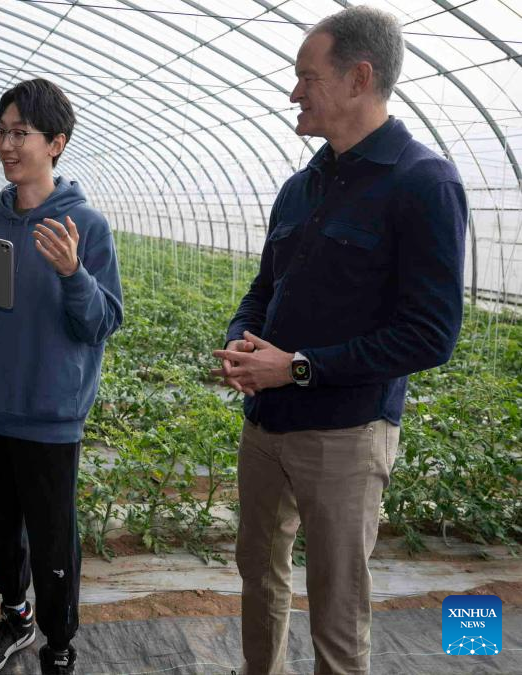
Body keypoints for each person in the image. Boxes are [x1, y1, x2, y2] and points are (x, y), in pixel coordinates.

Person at [210, 7, 466, 674]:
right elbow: (264, 288)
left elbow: (431, 334)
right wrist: (242, 341)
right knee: (258, 573)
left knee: (337, 605)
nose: (294, 91)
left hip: (345, 436)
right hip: (265, 423)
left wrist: (297, 368)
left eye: (307, 77)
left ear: (359, 78)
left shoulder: (422, 182)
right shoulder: (302, 187)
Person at [0, 78, 123, 675]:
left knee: (53, 540)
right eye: (1, 132)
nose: (6, 145)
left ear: (55, 144)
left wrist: (73, 272)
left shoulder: (85, 226)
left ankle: (59, 646)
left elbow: (101, 323)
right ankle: (16, 617)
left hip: (48, 415)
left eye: (21, 134)